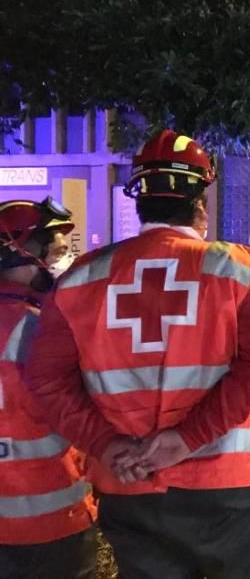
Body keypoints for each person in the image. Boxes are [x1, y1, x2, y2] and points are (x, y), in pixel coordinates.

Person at [24, 130, 250, 579]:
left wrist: (106, 445)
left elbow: (48, 380)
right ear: (200, 203)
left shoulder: (79, 279)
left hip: (130, 487)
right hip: (228, 489)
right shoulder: (239, 270)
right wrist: (187, 438)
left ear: (139, 199)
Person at [0, 198, 97, 579]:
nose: (61, 263)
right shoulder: (45, 331)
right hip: (51, 525)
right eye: (55, 252)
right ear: (17, 255)